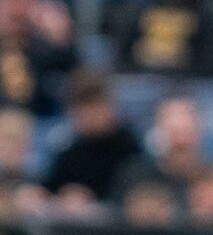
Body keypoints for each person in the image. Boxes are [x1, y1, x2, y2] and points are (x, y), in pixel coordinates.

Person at [43, 69, 142, 203]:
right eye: (80, 109)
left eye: (94, 106)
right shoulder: (69, 154)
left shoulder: (130, 149)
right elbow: (49, 192)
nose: (88, 115)